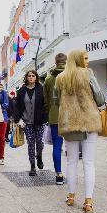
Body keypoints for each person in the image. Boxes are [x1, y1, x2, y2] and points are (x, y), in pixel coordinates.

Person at [56, 50, 104, 213]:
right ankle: (88, 201)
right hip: (89, 121)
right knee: (89, 162)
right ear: (78, 59)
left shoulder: (61, 77)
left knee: (71, 162)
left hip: (69, 123)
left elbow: (56, 101)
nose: (87, 61)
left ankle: (71, 196)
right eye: (85, 58)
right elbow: (99, 98)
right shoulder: (88, 74)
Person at [14, 70, 47, 177]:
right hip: (27, 122)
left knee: (40, 142)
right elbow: (17, 106)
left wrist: (45, 117)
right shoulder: (22, 90)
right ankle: (32, 166)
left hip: (40, 121)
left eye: (33, 76)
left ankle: (39, 156)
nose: (31, 77)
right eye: (29, 76)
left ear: (36, 77)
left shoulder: (41, 89)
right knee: (31, 144)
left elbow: (45, 104)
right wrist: (18, 120)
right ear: (26, 78)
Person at [44, 53, 66, 184]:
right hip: (71, 115)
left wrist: (49, 111)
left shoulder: (48, 79)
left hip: (54, 115)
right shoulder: (71, 75)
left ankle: (59, 174)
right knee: (73, 147)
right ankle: (73, 173)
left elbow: (46, 100)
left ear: (55, 62)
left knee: (57, 146)